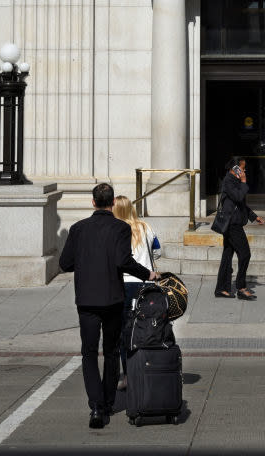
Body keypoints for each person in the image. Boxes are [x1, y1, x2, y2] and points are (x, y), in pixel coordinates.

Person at [59, 182, 158, 429]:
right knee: (111, 351)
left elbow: (65, 263)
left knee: (89, 353)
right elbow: (123, 261)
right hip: (112, 298)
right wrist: (148, 274)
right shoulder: (120, 228)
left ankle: (96, 405)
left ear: (93, 202)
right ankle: (108, 401)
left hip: (87, 299)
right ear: (112, 203)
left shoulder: (78, 228)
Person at [112, 194, 161, 391]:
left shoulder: (115, 230)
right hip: (146, 285)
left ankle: (128, 375)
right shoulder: (146, 227)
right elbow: (157, 251)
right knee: (147, 330)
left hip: (123, 285)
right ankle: (150, 369)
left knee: (126, 333)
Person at [214, 157, 264, 300]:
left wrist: (254, 216)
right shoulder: (229, 181)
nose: (244, 171)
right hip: (232, 225)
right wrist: (243, 182)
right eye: (242, 168)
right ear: (235, 168)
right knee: (245, 254)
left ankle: (221, 289)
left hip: (233, 222)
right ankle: (241, 288)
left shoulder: (234, 182)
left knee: (227, 256)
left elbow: (241, 204)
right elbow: (237, 196)